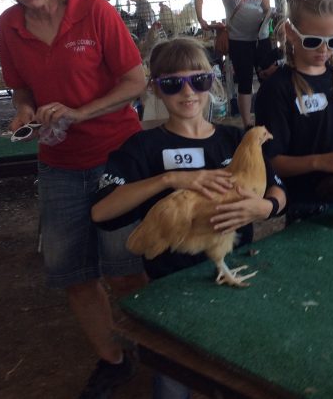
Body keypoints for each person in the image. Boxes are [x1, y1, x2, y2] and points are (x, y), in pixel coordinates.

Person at [0, 0, 148, 398]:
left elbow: (136, 80)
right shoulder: (9, 25)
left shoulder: (95, 13)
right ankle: (113, 359)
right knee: (73, 273)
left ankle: (161, 349)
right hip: (58, 163)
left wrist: (82, 112)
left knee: (125, 267)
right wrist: (22, 112)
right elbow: (20, 87)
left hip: (117, 155)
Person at [92, 37, 286, 398]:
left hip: (231, 266)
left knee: (235, 366)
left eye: (198, 81)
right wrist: (169, 179)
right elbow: (102, 211)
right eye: (171, 84)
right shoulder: (142, 147)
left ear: (212, 82)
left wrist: (266, 208)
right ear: (155, 89)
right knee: (175, 368)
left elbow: (277, 190)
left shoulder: (233, 140)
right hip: (171, 279)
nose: (187, 93)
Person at [254, 0, 333, 222]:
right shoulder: (277, 89)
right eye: (313, 41)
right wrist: (321, 161)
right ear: (290, 32)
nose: (324, 49)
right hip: (306, 207)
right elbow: (271, 160)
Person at [193, 0, 271, 129]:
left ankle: (267, 116)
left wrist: (271, 17)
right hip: (239, 40)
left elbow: (266, 8)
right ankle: (247, 123)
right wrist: (201, 19)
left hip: (261, 38)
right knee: (244, 81)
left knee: (267, 78)